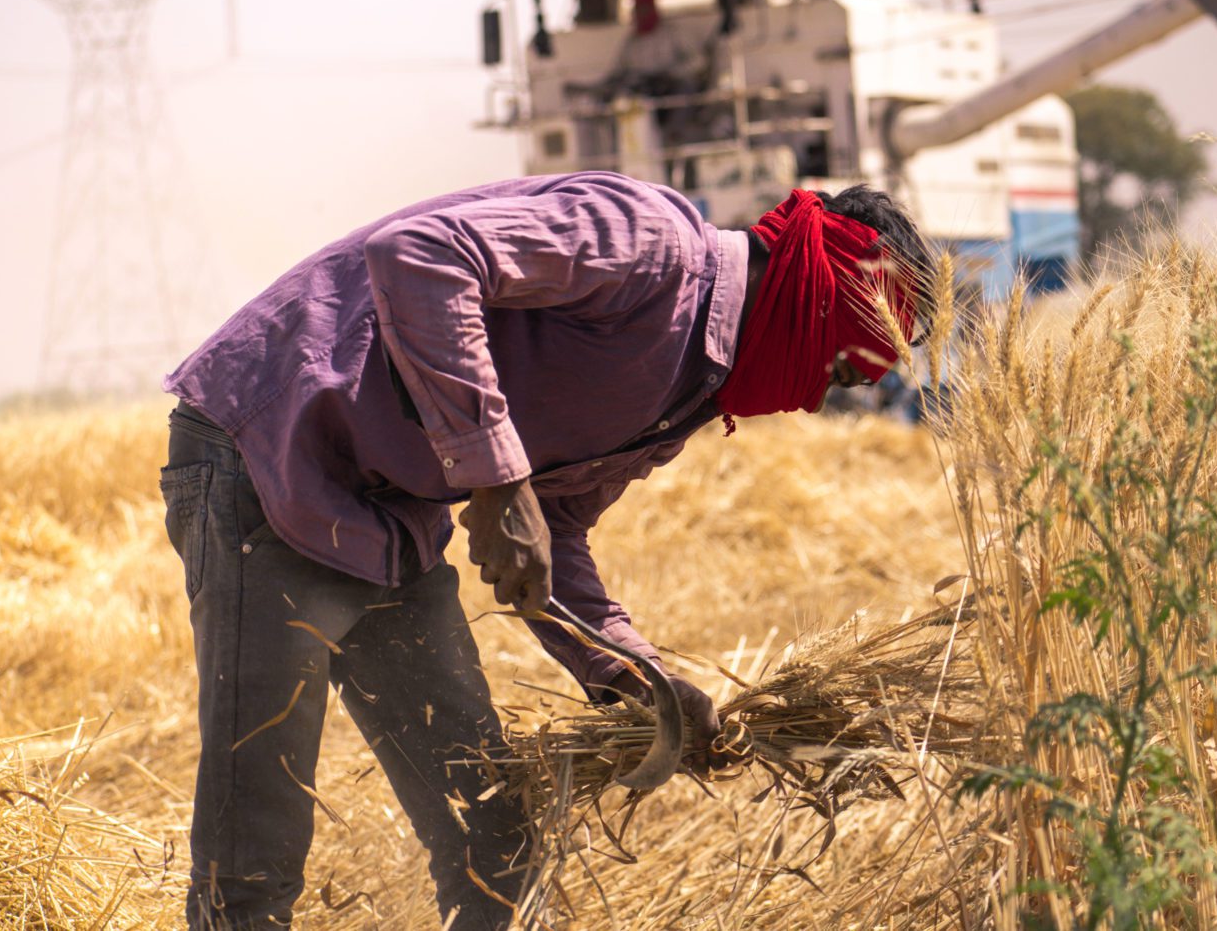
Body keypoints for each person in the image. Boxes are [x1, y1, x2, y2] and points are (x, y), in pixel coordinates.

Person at [158, 172, 928, 929]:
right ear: (819, 292)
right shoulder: (652, 243)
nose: (819, 399)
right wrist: (495, 479)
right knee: (253, 855)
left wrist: (630, 670)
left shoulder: (690, 390)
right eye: (839, 367)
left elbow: (549, 528)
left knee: (495, 833)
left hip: (390, 512)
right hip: (266, 452)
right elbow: (421, 255)